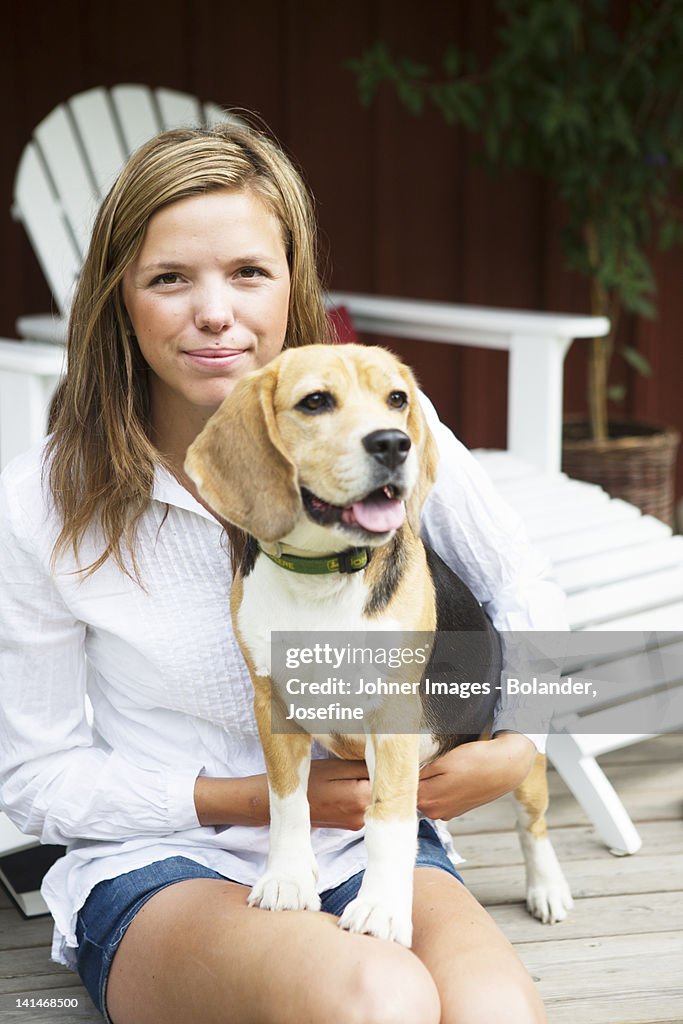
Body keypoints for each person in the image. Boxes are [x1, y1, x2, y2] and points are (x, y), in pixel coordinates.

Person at [0, 120, 565, 1024]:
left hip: (373, 841)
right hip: (161, 855)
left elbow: (524, 587)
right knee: (376, 999)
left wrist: (519, 741)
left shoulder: (387, 428)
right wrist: (253, 799)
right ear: (119, 300)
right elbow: (37, 776)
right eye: (170, 278)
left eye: (249, 273)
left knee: (494, 1012)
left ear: (292, 285)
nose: (215, 312)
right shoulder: (40, 504)